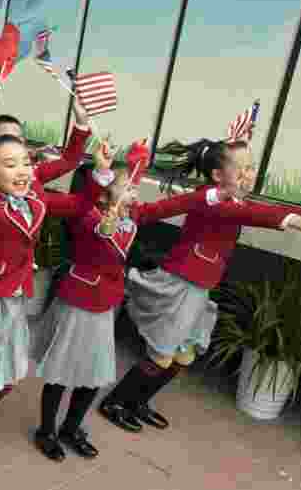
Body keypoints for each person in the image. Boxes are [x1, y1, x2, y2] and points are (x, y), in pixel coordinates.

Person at [98, 138, 301, 431]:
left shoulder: (233, 199)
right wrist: (292, 219)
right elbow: (252, 214)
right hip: (182, 283)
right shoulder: (210, 199)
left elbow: (251, 208)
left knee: (184, 355)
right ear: (217, 176)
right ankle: (115, 402)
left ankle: (138, 402)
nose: (250, 174)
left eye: (252, 167)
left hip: (200, 286)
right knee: (162, 354)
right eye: (242, 169)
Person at [31, 156, 228, 461]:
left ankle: (71, 427)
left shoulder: (132, 216)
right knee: (60, 373)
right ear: (105, 191)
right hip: (78, 303)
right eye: (128, 185)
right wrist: (102, 215)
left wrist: (213, 193)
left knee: (94, 375)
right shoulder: (84, 215)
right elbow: (89, 226)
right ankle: (46, 431)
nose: (135, 191)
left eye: (136, 185)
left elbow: (173, 206)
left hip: (106, 304)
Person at [0, 136, 98, 478]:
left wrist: (101, 170)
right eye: (10, 165)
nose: (23, 171)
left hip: (14, 297)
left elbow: (82, 205)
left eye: (25, 162)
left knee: (6, 380)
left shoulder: (35, 197)